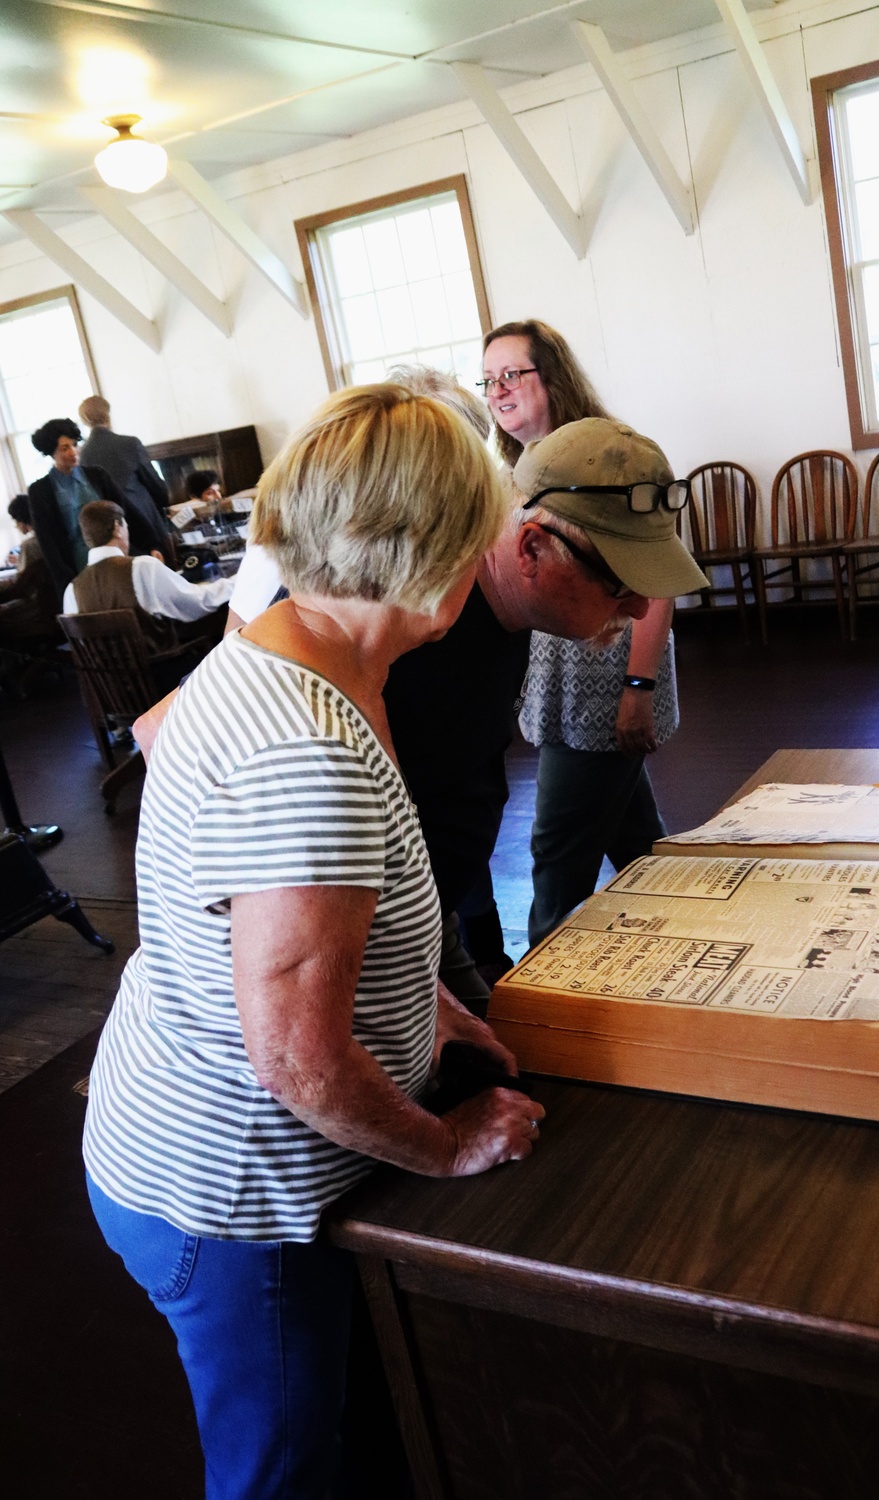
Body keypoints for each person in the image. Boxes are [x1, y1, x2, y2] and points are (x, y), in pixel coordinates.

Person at [83, 383, 545, 1500]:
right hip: (232, 1196)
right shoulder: (307, 747)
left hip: (185, 1136)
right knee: (279, 1472)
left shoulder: (282, 650)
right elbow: (295, 1057)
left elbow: (295, 915)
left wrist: (421, 1000)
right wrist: (445, 1148)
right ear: (429, 556)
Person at [184, 370, 703, 1015]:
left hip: (426, 923)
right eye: (617, 580)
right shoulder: (399, 625)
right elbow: (181, 730)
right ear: (533, 548)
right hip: (362, 963)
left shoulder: (503, 612)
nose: (640, 603)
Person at [481, 320, 705, 947]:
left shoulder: (607, 457)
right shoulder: (513, 469)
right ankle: (689, 930)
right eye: (489, 379)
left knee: (558, 857)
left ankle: (542, 989)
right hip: (559, 692)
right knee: (635, 835)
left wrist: (637, 686)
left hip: (606, 688)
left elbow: (655, 581)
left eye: (512, 374)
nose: (499, 390)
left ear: (550, 377)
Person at [63, 500, 234, 651]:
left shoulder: (72, 590)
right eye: (126, 526)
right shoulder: (142, 567)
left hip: (109, 685)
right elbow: (197, 603)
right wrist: (235, 582)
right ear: (117, 528)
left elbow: (86, 647)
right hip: (163, 675)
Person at [27, 418, 165, 598]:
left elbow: (126, 511)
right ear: (51, 452)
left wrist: (151, 544)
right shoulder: (40, 491)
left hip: (117, 555)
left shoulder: (97, 475)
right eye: (64, 448)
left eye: (75, 444)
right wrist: (68, 581)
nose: (73, 452)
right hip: (77, 565)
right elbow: (48, 542)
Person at [78, 395, 174, 560]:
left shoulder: (82, 455)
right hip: (146, 522)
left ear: (84, 420)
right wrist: (165, 510)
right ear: (108, 414)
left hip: (110, 532)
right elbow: (155, 485)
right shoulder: (130, 443)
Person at [0, 494, 59, 647]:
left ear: (22, 520)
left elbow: (21, 584)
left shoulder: (30, 545)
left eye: (15, 521)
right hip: (57, 604)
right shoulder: (52, 536)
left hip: (38, 609)